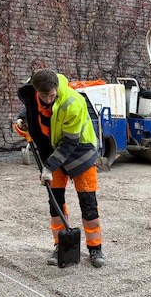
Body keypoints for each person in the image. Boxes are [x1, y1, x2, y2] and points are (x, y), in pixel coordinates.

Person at [16, 68, 105, 268]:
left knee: (88, 202)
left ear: (57, 87)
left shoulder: (73, 103)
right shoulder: (33, 90)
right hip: (51, 152)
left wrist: (48, 168)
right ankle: (60, 245)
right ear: (36, 90)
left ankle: (95, 248)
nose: (48, 100)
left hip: (80, 152)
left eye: (51, 95)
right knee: (55, 202)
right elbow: (29, 105)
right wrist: (22, 118)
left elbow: (69, 143)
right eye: (43, 96)